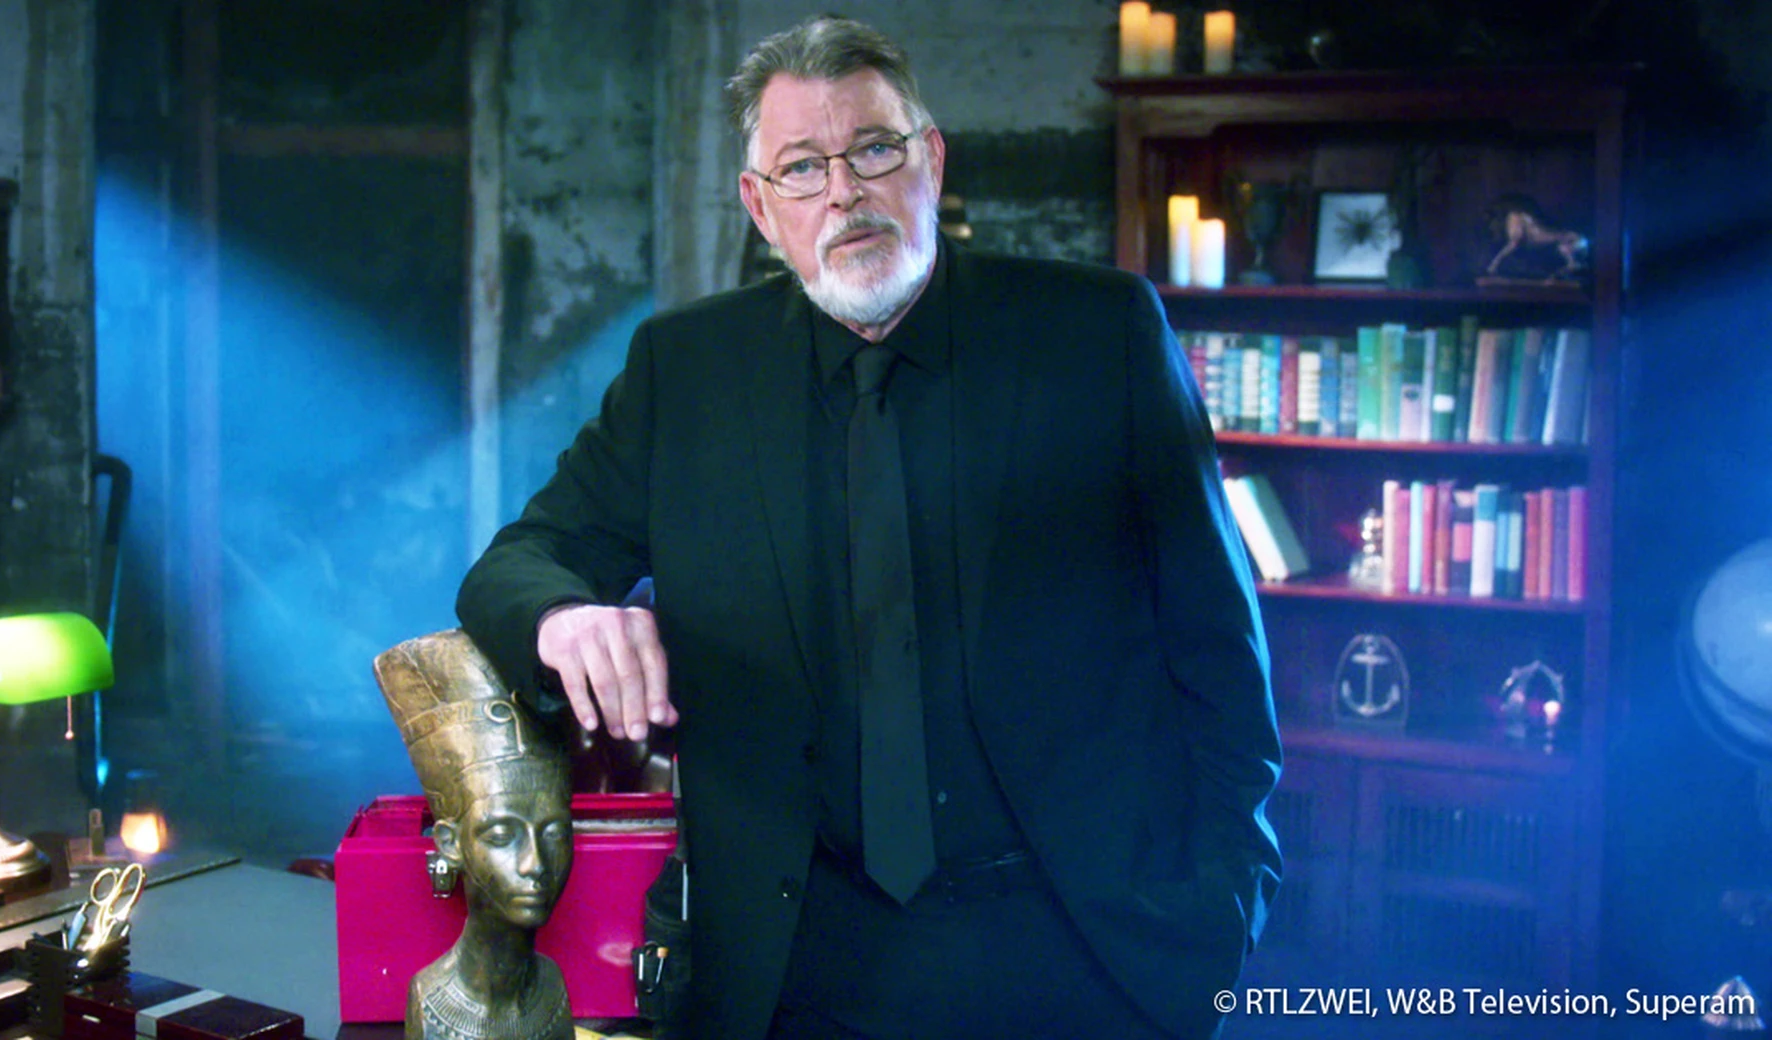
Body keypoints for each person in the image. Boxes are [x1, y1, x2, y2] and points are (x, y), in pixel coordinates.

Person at [458, 15, 1281, 1040]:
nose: (844, 191)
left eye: (874, 150)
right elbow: (517, 562)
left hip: (1079, 946)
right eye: (803, 167)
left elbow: (1220, 649)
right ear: (761, 206)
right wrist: (563, 617)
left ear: (930, 160)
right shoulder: (687, 371)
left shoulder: (1098, 334)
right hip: (790, 964)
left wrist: (1221, 908)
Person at [374, 631, 576, 1040]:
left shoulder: (552, 986)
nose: (535, 864)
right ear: (451, 843)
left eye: (554, 833)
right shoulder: (430, 1002)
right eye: (502, 835)